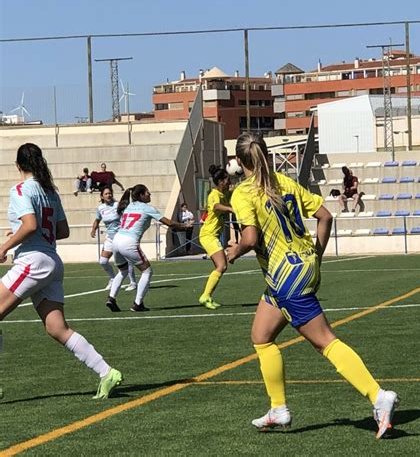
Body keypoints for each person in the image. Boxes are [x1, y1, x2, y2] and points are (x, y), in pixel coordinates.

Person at [226, 133, 399, 439]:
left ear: (240, 163)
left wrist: (233, 251)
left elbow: (250, 239)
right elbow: (325, 216)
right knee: (261, 336)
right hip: (298, 269)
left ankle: (378, 396)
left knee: (325, 342)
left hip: (286, 277)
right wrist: (315, 254)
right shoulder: (284, 182)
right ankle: (278, 409)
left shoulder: (242, 193)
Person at [0, 143, 122, 399]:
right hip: (52, 261)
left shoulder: (21, 189)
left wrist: (5, 245)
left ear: (18, 166)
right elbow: (62, 231)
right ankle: (106, 372)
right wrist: (20, 232)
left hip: (32, 261)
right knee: (57, 328)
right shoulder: (50, 192)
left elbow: (31, 224)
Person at [105, 184, 189, 312]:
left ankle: (111, 298)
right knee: (147, 271)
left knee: (122, 271)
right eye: (147, 192)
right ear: (141, 195)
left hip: (116, 240)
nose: (150, 194)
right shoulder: (147, 208)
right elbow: (169, 223)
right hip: (129, 242)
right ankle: (138, 303)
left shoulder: (129, 206)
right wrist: (184, 226)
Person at [198, 165, 233, 310]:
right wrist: (231, 209)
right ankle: (205, 296)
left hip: (214, 235)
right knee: (222, 265)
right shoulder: (214, 195)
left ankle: (207, 296)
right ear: (220, 182)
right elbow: (217, 207)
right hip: (208, 235)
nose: (229, 180)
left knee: (221, 266)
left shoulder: (224, 194)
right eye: (226, 179)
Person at [90, 186, 137, 291]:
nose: (109, 195)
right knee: (103, 261)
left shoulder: (117, 205)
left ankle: (133, 283)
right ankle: (112, 278)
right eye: (106, 194)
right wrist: (93, 229)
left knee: (127, 260)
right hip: (110, 238)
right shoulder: (100, 208)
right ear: (102, 196)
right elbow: (97, 220)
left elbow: (127, 216)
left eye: (110, 193)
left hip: (120, 237)